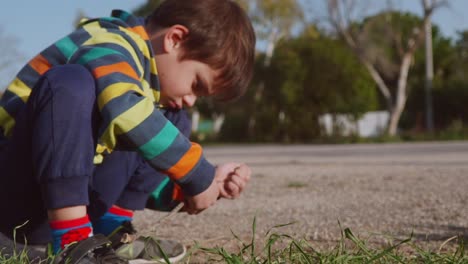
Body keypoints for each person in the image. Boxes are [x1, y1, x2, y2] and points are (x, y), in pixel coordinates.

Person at [0, 0, 255, 263]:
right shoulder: (111, 41)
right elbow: (123, 108)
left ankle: (111, 232)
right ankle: (72, 242)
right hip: (14, 193)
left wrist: (194, 188)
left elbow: (137, 166)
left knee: (167, 116)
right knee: (75, 83)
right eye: (196, 84)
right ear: (175, 39)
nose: (191, 100)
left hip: (57, 203)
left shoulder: (150, 83)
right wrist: (196, 174)